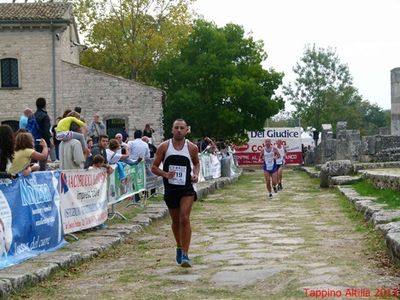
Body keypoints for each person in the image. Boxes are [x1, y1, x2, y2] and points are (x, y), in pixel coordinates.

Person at [151, 119, 200, 268]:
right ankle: (179, 246)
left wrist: (195, 174)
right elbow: (153, 167)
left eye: (182, 128)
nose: (179, 130)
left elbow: (196, 163)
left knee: (184, 218)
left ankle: (185, 255)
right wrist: (165, 174)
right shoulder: (164, 147)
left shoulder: (192, 148)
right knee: (176, 221)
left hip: (186, 188)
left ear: (187, 130)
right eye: (176, 128)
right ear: (172, 130)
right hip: (171, 188)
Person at [128, 130, 150, 202]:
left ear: (134, 136)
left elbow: (128, 152)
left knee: (134, 180)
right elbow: (147, 156)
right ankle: (145, 194)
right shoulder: (145, 144)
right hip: (142, 164)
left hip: (132, 164)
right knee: (142, 179)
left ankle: (136, 197)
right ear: (141, 136)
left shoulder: (131, 143)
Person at [34, 97, 51, 171]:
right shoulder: (45, 116)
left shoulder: (34, 115)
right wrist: (48, 144)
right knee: (43, 163)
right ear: (45, 105)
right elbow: (46, 131)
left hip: (34, 142)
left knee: (33, 163)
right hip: (43, 142)